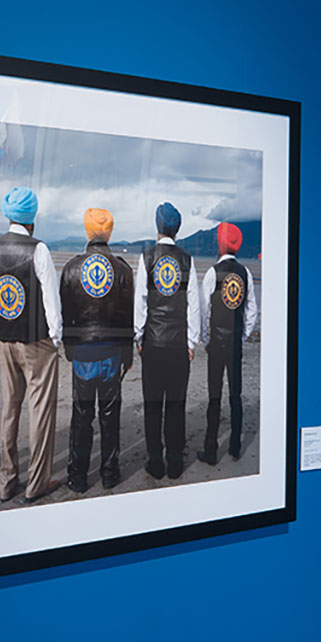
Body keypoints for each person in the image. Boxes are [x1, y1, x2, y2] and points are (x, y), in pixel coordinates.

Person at [0, 187, 63, 505]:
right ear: (32, 217)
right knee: (40, 410)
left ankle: (6, 481)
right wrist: (55, 336)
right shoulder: (38, 250)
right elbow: (50, 299)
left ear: (8, 214)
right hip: (37, 342)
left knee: (9, 409)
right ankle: (36, 484)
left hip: (5, 340)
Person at [59, 209, 135, 492]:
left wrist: (69, 349)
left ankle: (77, 477)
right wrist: (127, 355)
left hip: (83, 354)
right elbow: (128, 317)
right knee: (110, 416)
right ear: (109, 233)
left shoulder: (70, 268)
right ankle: (109, 474)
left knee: (81, 416)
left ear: (87, 231)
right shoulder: (123, 269)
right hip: (113, 353)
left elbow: (66, 313)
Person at [134, 202, 200, 479]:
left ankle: (155, 461)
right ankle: (174, 460)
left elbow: (141, 301)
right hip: (177, 345)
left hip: (153, 343)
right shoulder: (187, 259)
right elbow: (193, 304)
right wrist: (191, 342)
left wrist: (139, 335)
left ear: (158, 226)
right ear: (178, 228)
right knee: (176, 404)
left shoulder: (147, 257)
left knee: (152, 405)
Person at [197, 222, 258, 465]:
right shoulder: (245, 273)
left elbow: (204, 309)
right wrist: (242, 335)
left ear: (220, 244)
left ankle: (211, 450)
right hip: (234, 343)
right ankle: (235, 447)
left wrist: (205, 337)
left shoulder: (213, 273)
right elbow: (252, 309)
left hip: (216, 345)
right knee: (236, 396)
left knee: (214, 397)